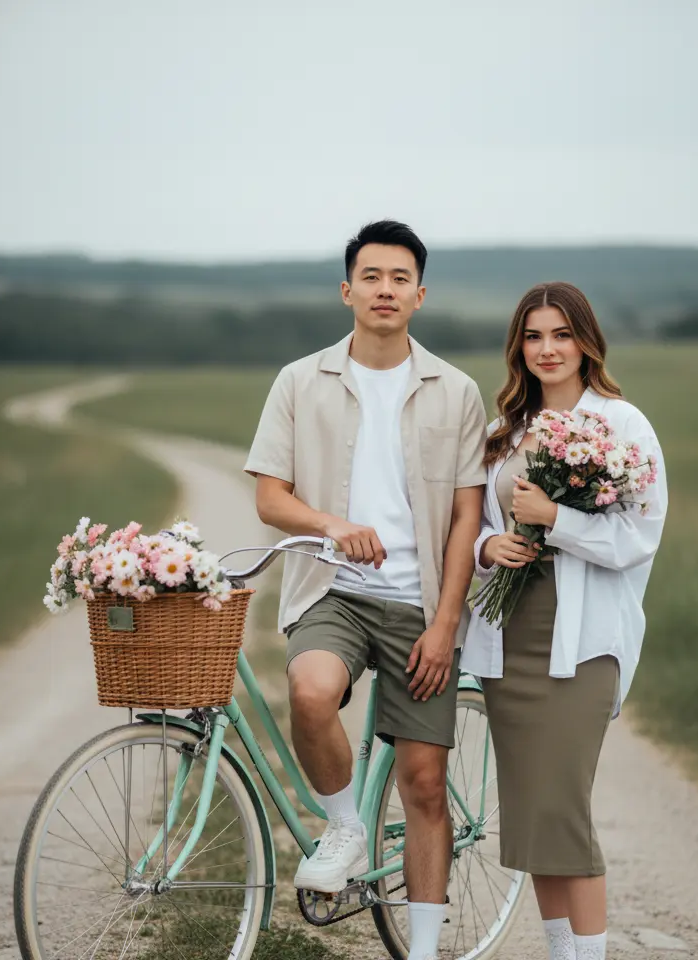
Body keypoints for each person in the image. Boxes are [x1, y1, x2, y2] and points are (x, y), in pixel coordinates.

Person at [244, 219, 486, 960]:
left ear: (420, 294)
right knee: (311, 691)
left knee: (422, 783)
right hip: (334, 591)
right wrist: (330, 524)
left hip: (421, 605)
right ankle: (344, 823)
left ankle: (419, 951)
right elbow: (269, 496)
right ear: (348, 290)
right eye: (372, 276)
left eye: (400, 278)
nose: (386, 289)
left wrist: (445, 626)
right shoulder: (299, 379)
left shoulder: (457, 391)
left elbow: (467, 518)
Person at [461, 282, 668, 960]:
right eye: (533, 336)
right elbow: (478, 531)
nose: (547, 349)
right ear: (519, 347)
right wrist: (487, 549)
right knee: (533, 819)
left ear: (585, 341)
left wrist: (560, 522)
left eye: (560, 334)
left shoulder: (622, 425)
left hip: (582, 644)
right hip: (509, 639)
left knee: (564, 813)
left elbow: (639, 537)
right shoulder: (505, 434)